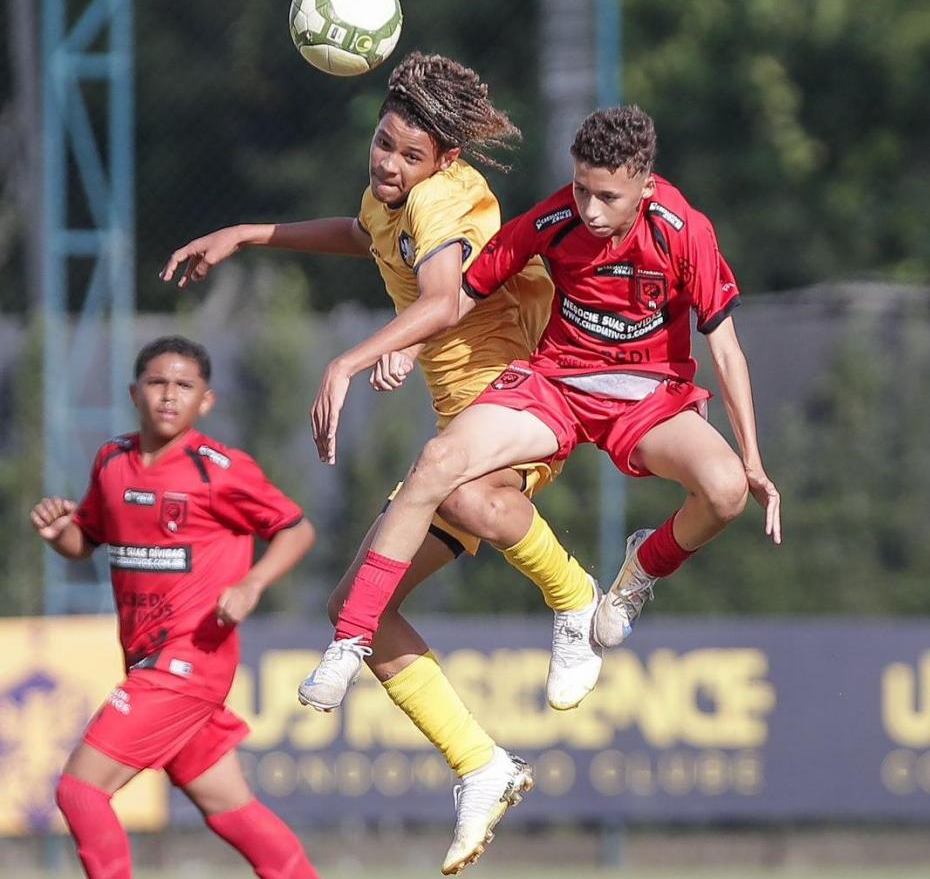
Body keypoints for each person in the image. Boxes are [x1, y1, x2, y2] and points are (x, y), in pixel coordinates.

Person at [161, 52, 602, 875]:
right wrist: (252, 233)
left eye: (409, 154)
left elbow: (442, 297)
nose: (389, 163)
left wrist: (350, 360)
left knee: (467, 493)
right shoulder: (395, 196)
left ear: (447, 160)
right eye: (383, 143)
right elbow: (366, 237)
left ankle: (574, 594)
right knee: (355, 607)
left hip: (527, 395)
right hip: (466, 422)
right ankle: (481, 764)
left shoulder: (450, 196)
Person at [302, 103, 783, 706]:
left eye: (608, 196)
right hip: (555, 386)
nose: (589, 209)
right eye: (582, 189)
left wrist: (754, 459)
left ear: (645, 186)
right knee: (437, 465)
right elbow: (462, 295)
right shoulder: (555, 219)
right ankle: (349, 643)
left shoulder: (684, 232)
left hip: (649, 398)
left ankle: (637, 573)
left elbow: (728, 353)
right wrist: (403, 346)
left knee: (726, 491)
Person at [31, 336, 320, 879]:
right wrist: (57, 534)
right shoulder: (112, 461)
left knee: (79, 790)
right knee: (231, 811)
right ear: (134, 392)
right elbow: (86, 540)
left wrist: (253, 583)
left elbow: (297, 529)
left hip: (189, 662)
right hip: (146, 660)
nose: (169, 396)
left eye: (184, 386)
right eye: (158, 382)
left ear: (205, 401)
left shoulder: (219, 470)